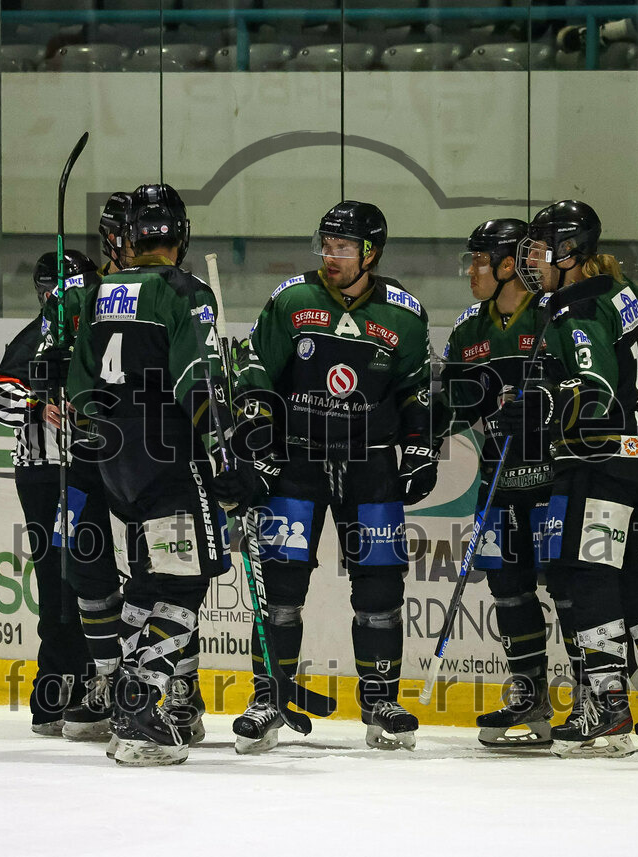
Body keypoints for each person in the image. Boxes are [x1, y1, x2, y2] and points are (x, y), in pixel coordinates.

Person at [229, 201, 438, 753]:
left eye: (343, 247)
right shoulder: (293, 299)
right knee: (282, 586)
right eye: (326, 244)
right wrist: (254, 417)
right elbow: (253, 365)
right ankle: (268, 698)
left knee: (380, 587)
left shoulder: (402, 312)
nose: (331, 255)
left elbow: (418, 388)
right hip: (297, 462)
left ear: (372, 252)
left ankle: (381, 702)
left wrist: (420, 448)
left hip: (371, 463)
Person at [67, 184, 251, 766]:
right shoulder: (184, 290)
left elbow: (80, 388)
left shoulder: (98, 293)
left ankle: (127, 694)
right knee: (183, 583)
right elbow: (198, 381)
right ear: (180, 236)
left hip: (117, 464)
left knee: (148, 582)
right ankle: (142, 708)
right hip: (170, 458)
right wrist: (223, 457)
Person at [506, 199, 638, 757]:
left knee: (585, 573)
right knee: (636, 576)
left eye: (541, 248)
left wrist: (541, 405)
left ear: (570, 252)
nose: (533, 259)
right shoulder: (627, 292)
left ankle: (608, 708)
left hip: (595, 462)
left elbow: (594, 392)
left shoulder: (575, 308)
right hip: (636, 458)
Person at [440, 218, 580, 748]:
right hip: (498, 484)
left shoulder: (553, 316)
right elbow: (451, 406)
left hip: (555, 482)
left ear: (507, 265)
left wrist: (544, 410)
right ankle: (529, 692)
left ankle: (591, 693)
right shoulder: (469, 328)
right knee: (508, 589)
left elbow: (585, 397)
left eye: (478, 261)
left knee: (570, 588)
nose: (469, 271)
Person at [0, 251, 95, 735]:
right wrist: (35, 403)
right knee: (56, 579)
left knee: (92, 579)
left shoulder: (97, 332)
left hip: (93, 472)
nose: (56, 298)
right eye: (50, 289)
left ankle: (95, 678)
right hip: (44, 475)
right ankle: (54, 688)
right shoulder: (34, 337)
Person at [30, 250, 127, 743]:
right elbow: (6, 387)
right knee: (69, 575)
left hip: (139, 461)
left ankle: (168, 688)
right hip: (64, 470)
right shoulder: (47, 328)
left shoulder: (129, 307)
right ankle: (81, 683)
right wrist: (37, 395)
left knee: (157, 574)